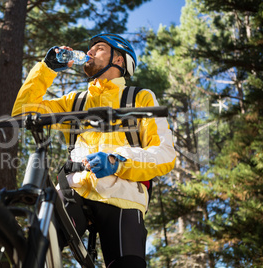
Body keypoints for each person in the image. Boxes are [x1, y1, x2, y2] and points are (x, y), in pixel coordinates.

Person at [12, 33, 176, 267]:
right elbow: (24, 113)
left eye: (98, 48)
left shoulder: (139, 98)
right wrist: (46, 69)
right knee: (33, 250)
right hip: (73, 190)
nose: (89, 53)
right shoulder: (75, 102)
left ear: (118, 60)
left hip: (124, 196)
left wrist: (118, 161)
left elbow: (165, 153)